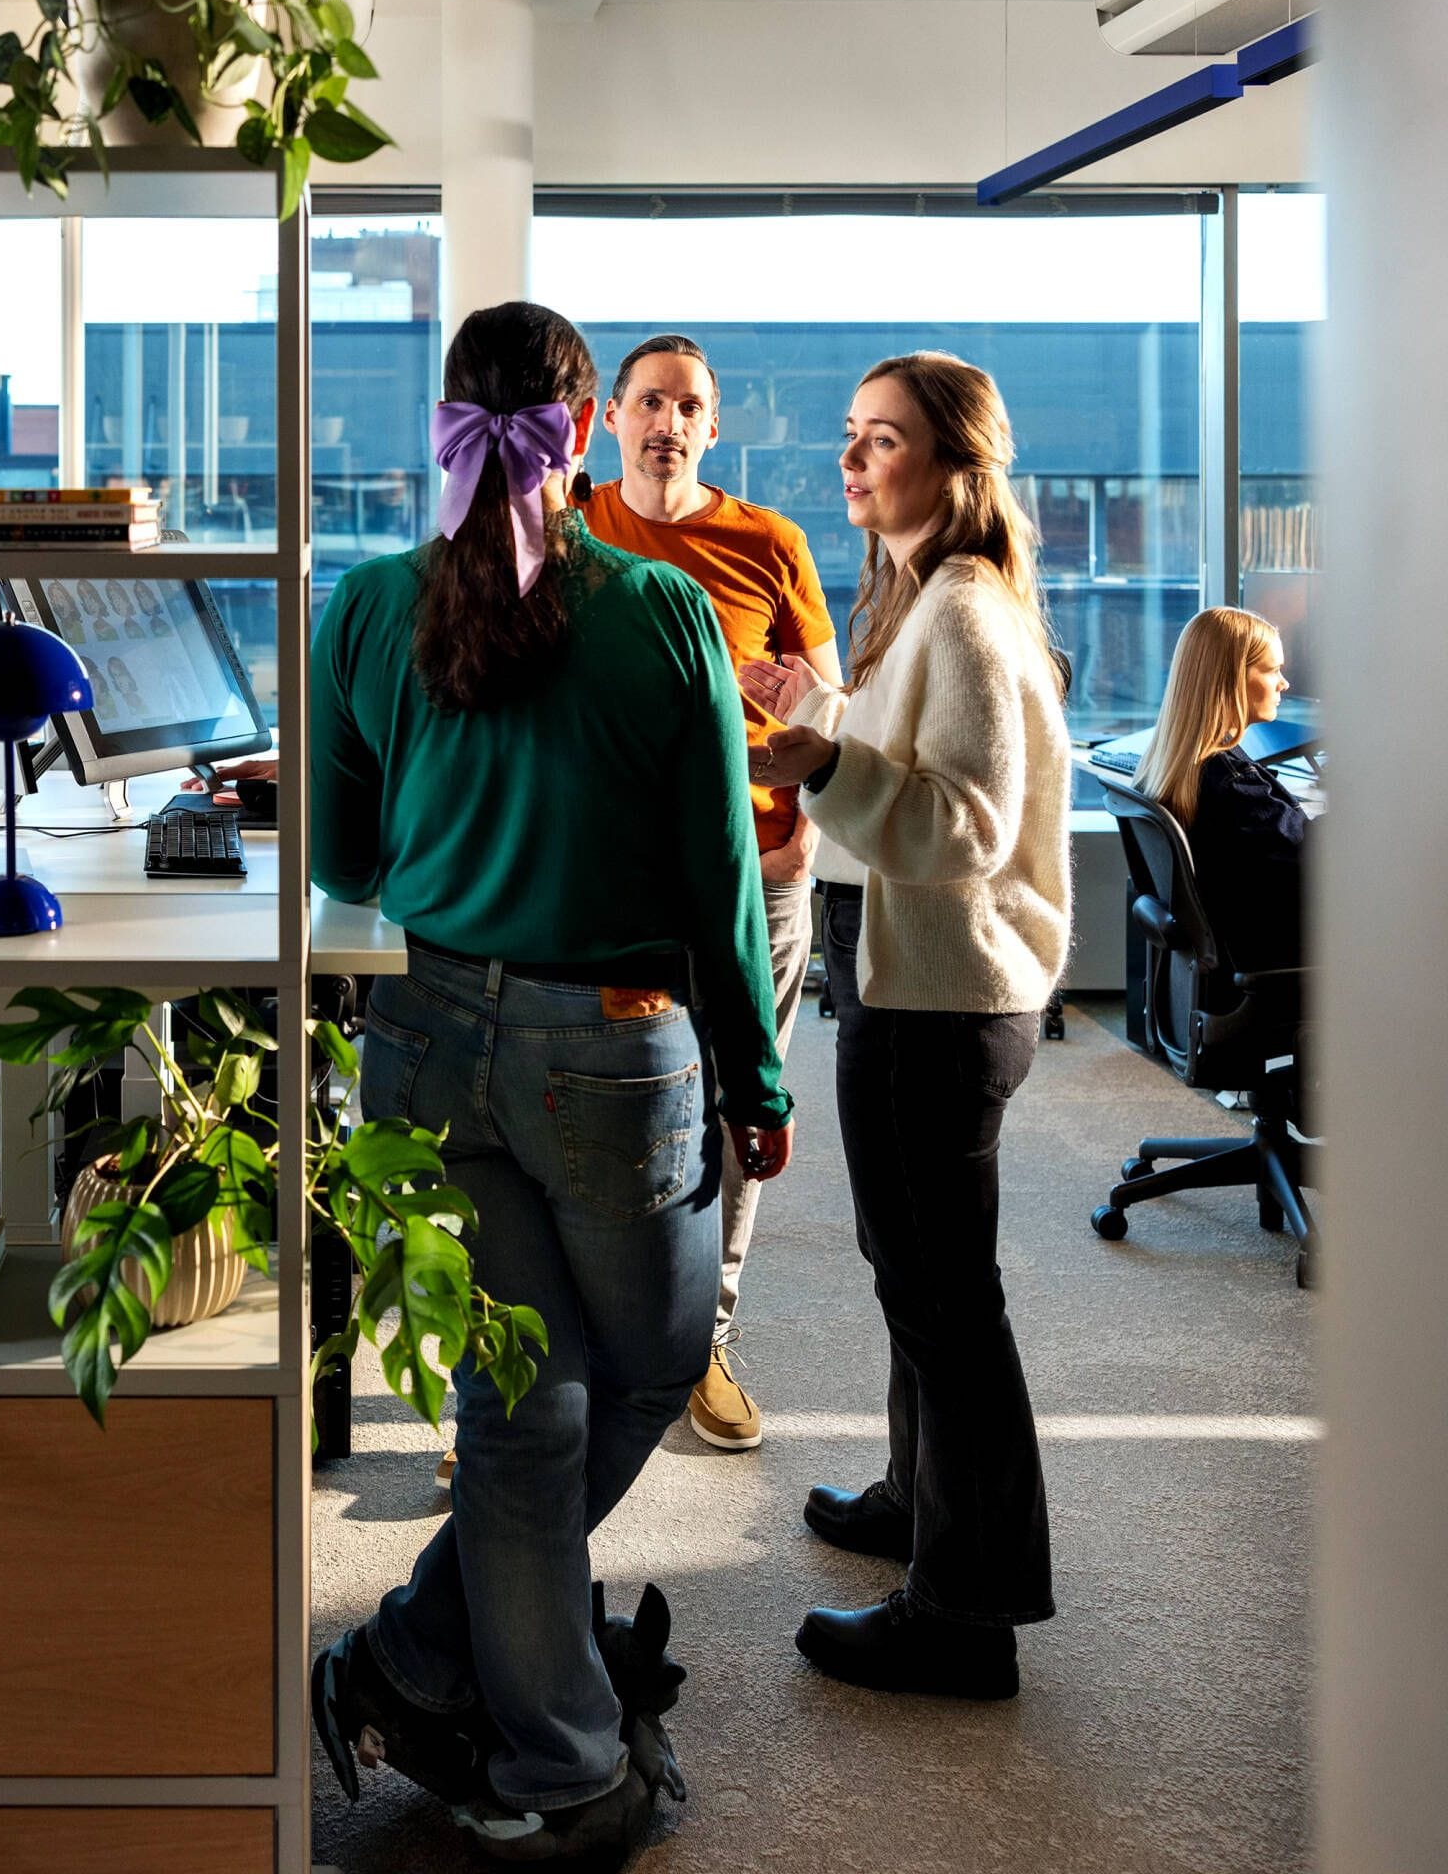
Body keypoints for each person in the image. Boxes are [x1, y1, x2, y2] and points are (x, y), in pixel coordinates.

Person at [310, 301, 794, 1860]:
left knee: (517, 1412)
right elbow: (723, 879)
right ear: (580, 437)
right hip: (615, 1045)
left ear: (445, 429)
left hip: (424, 1041)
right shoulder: (661, 617)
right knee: (649, 1365)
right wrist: (759, 1075)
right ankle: (509, 1718)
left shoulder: (368, 607)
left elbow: (343, 860)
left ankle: (467, 1684)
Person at [744, 350, 1071, 1700]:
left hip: (941, 1002)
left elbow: (965, 825)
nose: (853, 459)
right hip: (902, 981)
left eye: (883, 439)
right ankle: (912, 1500)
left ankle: (966, 1615)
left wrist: (822, 762)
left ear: (954, 462)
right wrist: (813, 715)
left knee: (948, 1304)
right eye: (849, 434)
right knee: (913, 1281)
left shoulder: (970, 613)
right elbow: (906, 762)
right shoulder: (921, 598)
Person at [582, 333, 842, 1453]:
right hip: (614, 881)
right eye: (650, 402)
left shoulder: (768, 541)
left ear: (711, 426)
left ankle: (703, 1340)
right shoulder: (572, 528)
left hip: (758, 873)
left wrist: (804, 841)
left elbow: (829, 699)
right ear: (610, 419)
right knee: (609, 1111)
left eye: (689, 407)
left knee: (746, 1113)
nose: (668, 423)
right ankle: (572, 1369)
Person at [1134, 606, 1310, 972]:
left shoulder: (1182, 767)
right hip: (1278, 960)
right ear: (1231, 679)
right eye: (1272, 670)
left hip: (1237, 956)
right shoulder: (1233, 786)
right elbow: (1313, 856)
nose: (1283, 684)